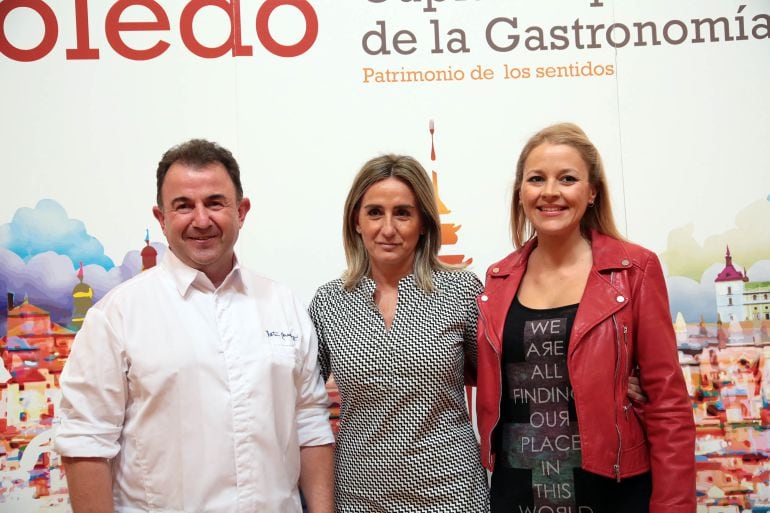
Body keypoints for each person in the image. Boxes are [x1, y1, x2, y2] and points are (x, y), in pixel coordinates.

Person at [55, 139, 334, 513]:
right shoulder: (117, 315)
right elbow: (85, 443)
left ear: (241, 211)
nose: (201, 220)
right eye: (183, 206)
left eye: (215, 203)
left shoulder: (282, 305)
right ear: (161, 218)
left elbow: (310, 425)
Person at [475, 123, 696, 513]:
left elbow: (667, 403)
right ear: (520, 192)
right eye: (536, 179)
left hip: (611, 491)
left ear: (592, 191)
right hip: (518, 492)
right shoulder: (498, 280)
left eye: (568, 179)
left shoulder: (634, 271)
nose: (550, 192)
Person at [307, 155, 489, 512]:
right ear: (356, 222)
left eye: (403, 213)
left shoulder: (462, 291)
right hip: (359, 495)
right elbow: (299, 396)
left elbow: (503, 382)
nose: (387, 228)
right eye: (374, 212)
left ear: (423, 223)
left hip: (453, 493)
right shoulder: (328, 302)